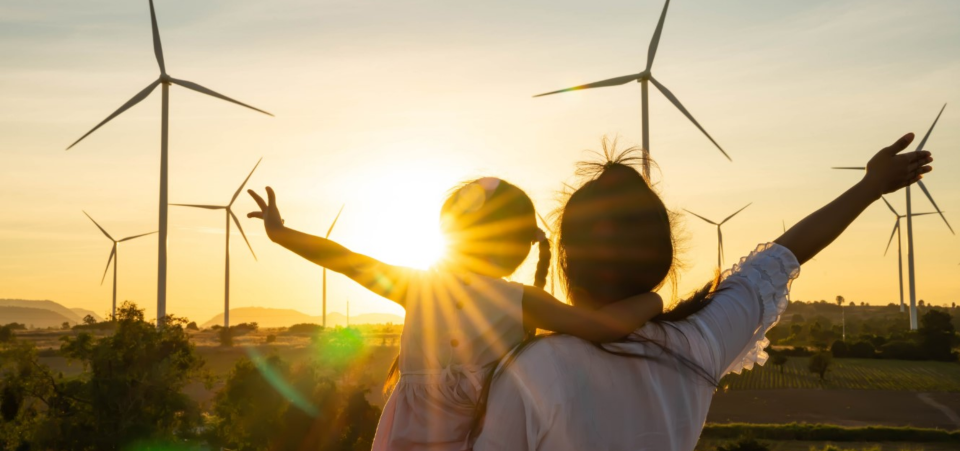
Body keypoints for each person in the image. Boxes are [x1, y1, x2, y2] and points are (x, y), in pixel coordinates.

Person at [471, 134, 933, 451]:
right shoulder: (697, 345)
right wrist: (871, 186)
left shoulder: (532, 371)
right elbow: (784, 255)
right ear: (663, 257)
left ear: (566, 259)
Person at [247, 177, 664, 451]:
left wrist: (279, 233)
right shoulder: (520, 299)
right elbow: (600, 327)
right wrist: (653, 301)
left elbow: (342, 258)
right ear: (518, 248)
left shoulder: (419, 285)